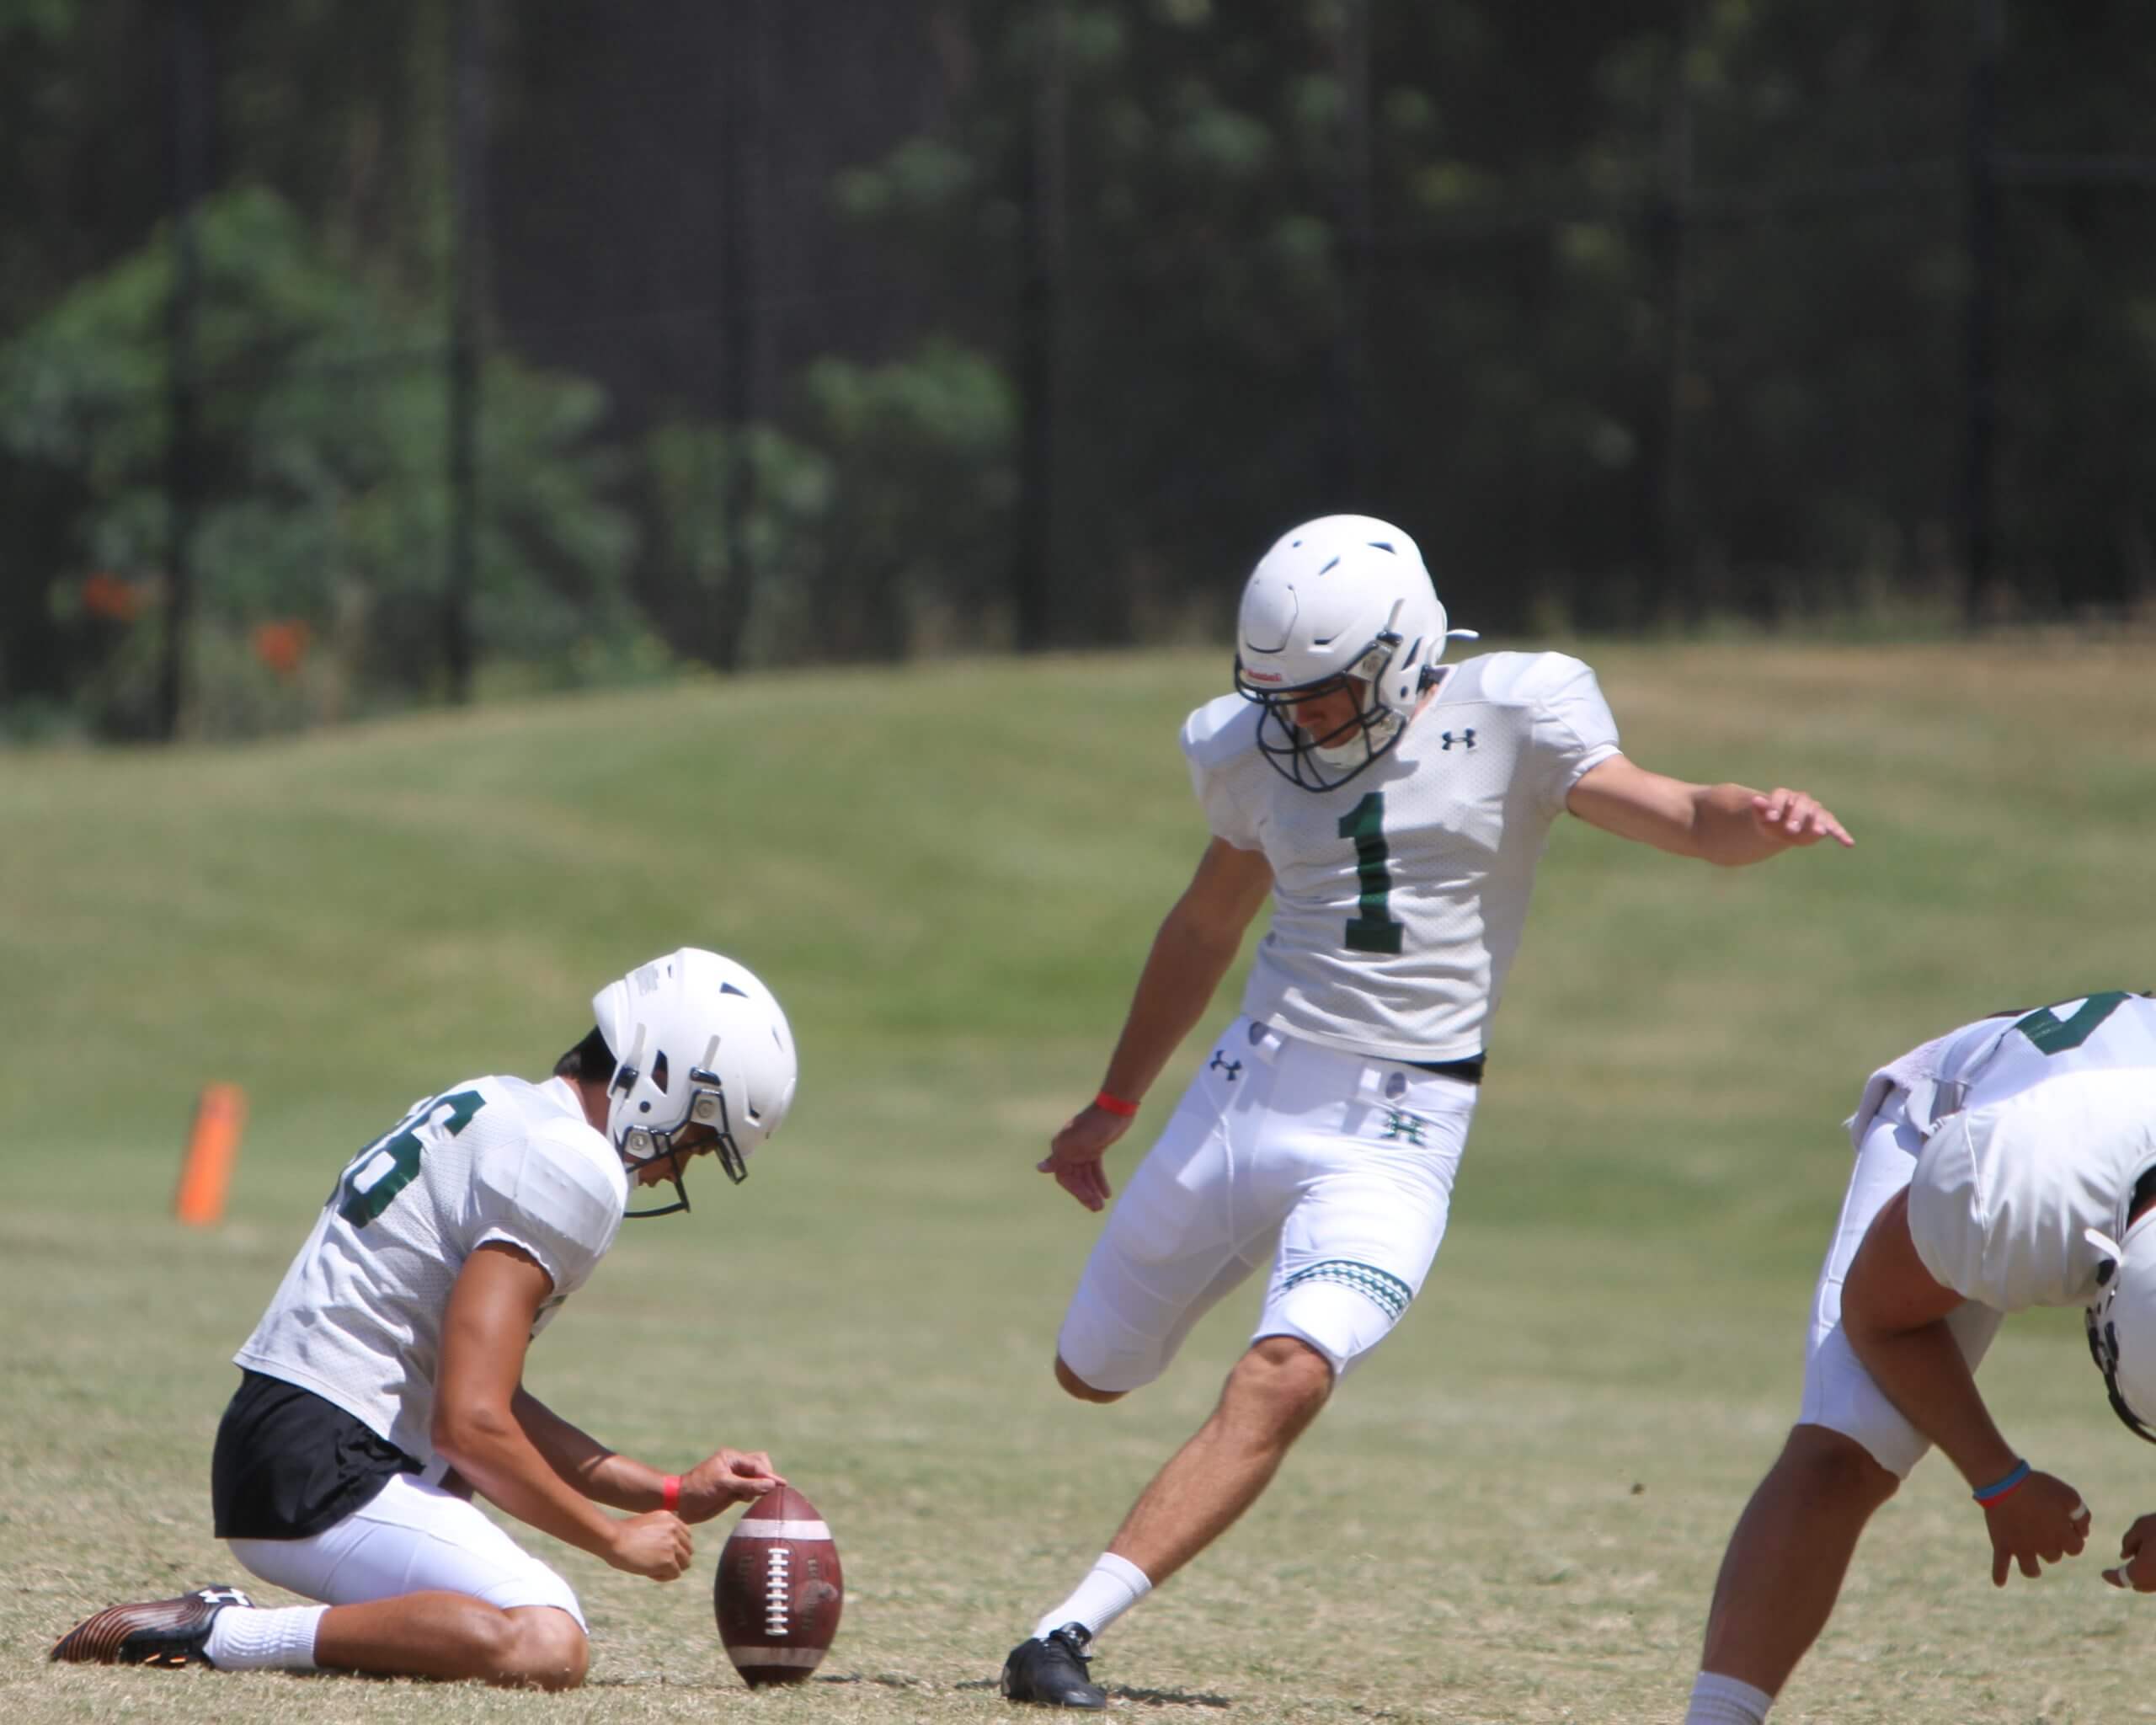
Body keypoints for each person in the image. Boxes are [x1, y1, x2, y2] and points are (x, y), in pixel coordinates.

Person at [999, 513, 1855, 1708]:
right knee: (1091, 1373)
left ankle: (1064, 1632)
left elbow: (1676, 811)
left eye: (1326, 693)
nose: (1300, 720)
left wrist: (1751, 821)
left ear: (1403, 653)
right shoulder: (1250, 747)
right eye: (1279, 697)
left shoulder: (1515, 713)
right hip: (1250, 1091)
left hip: (1400, 1129)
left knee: (1288, 1371)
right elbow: (1204, 923)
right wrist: (1112, 1100)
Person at [51, 946, 799, 1690]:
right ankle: (221, 1632)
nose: (677, 1168)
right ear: (659, 1081)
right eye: (697, 1138)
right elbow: (469, 1426)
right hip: (331, 1464)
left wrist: (667, 1493)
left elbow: (487, 1396)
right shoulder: (573, 1163)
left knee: (508, 1612)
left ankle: (229, 1627)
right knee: (546, 1641)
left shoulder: (503, 1104)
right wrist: (611, 1539)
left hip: (290, 1436)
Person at [1684, 989, 2156, 1725]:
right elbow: (1879, 1319)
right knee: (1854, 1438)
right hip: (1985, 1113)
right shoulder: (2010, 1195)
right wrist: (2000, 1480)